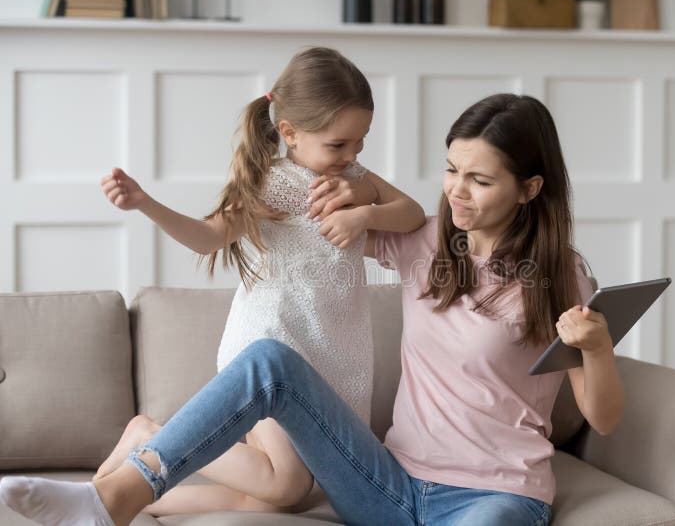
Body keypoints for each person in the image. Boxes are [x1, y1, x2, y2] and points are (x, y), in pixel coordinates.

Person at [0, 93, 625, 526]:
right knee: (269, 361)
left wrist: (595, 346)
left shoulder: (561, 275)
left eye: (481, 181)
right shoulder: (427, 243)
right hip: (387, 483)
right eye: (451, 170)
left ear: (530, 189)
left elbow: (602, 416)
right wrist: (357, 193)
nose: (457, 191)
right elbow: (362, 194)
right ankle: (112, 499)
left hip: (498, 497)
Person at [43, 45, 426, 518]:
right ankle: (151, 436)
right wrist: (145, 203)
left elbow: (411, 216)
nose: (352, 154)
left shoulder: (352, 176)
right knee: (285, 484)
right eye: (338, 144)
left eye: (360, 141)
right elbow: (207, 238)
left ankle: (139, 502)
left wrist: (366, 205)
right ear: (289, 132)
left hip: (334, 356)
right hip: (273, 348)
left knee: (289, 495)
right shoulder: (276, 184)